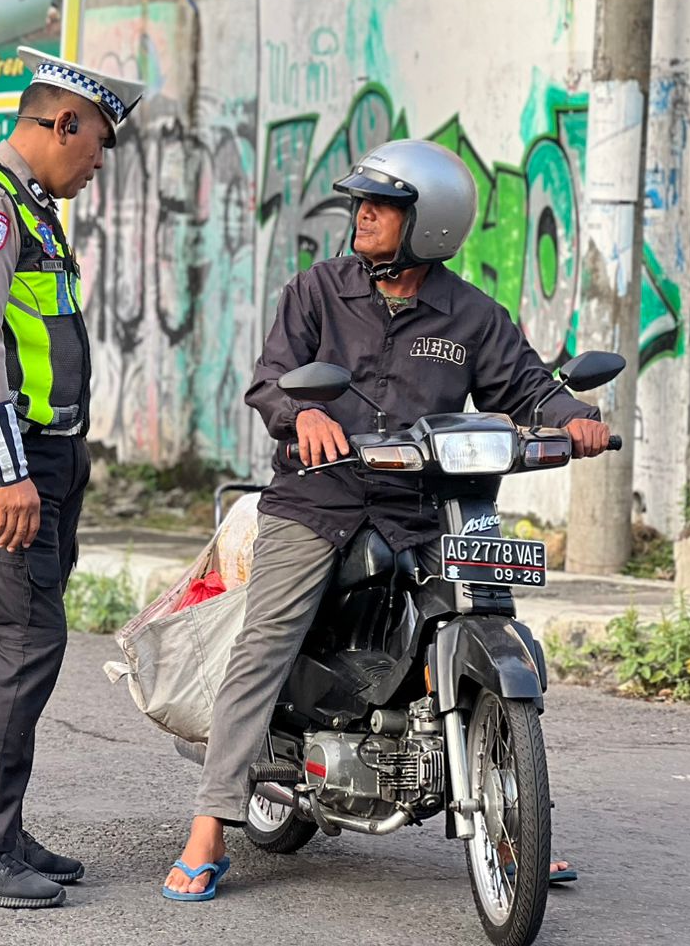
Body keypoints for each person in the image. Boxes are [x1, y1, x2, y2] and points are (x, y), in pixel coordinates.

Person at [161, 138, 609, 901]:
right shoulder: (316, 292)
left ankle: (518, 823)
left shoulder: (471, 315)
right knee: (267, 640)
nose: (362, 216)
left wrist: (574, 417)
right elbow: (270, 382)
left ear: (426, 224)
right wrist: (302, 413)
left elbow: (530, 386)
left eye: (382, 206)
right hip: (320, 500)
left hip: (424, 510)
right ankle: (209, 825)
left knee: (488, 614)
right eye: (361, 204)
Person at [0, 47, 145, 910]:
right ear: (62, 123)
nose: (98, 161)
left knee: (13, 640)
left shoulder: (32, 213)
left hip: (42, 454)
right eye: (98, 144)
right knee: (23, 640)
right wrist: (10, 472)